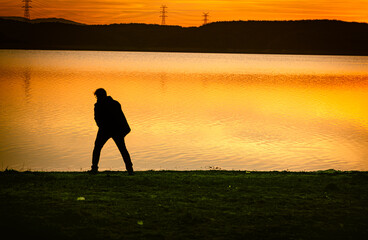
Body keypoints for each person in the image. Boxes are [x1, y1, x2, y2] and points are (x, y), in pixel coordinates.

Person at [90, 88, 133, 175]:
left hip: (107, 130)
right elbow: (121, 118)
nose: (97, 98)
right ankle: (130, 169)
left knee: (97, 148)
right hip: (114, 130)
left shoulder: (99, 105)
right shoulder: (115, 103)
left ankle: (94, 168)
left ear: (101, 96)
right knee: (122, 149)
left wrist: (102, 127)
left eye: (97, 97)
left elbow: (97, 118)